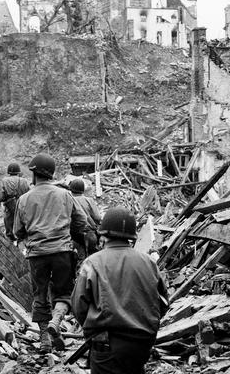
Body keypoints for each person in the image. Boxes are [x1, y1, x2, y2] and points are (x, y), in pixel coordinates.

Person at [72, 207, 169, 374]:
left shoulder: (92, 263)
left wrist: (93, 330)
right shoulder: (148, 263)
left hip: (106, 344)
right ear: (132, 236)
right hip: (142, 345)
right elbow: (163, 304)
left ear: (103, 235)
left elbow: (78, 306)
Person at [13, 154, 88, 353]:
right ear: (52, 174)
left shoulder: (23, 199)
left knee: (40, 294)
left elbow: (17, 232)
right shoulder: (65, 195)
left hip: (36, 254)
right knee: (63, 292)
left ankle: (45, 339)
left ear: (34, 173)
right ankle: (56, 321)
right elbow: (82, 222)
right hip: (62, 252)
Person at [69, 178, 102, 261]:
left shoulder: (68, 201)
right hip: (89, 234)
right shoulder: (88, 200)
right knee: (93, 259)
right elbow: (97, 217)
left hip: (73, 236)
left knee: (80, 259)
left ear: (71, 189)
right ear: (83, 190)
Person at [0, 162, 30, 241]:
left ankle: (11, 240)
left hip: (10, 207)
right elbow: (29, 193)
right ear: (18, 172)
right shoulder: (24, 181)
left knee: (8, 223)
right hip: (22, 206)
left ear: (9, 172)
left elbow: (1, 197)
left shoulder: (4, 181)